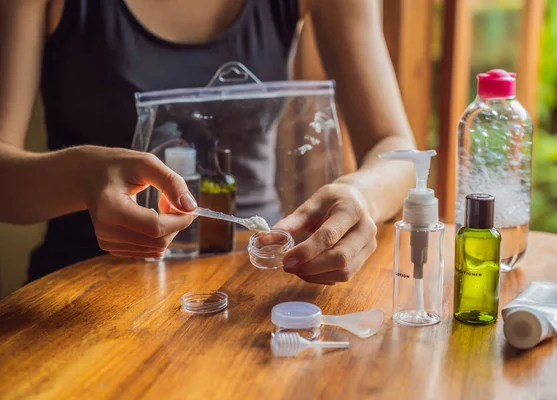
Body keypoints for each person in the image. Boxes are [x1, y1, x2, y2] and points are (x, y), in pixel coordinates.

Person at [0, 0, 415, 284]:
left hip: (260, 278)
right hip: (82, 288)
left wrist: (361, 195)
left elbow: (396, 149)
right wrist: (82, 177)